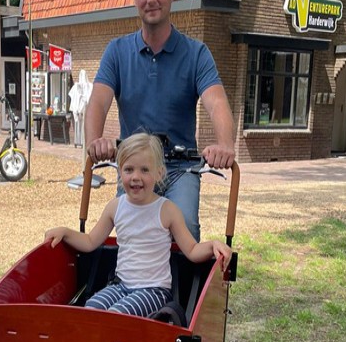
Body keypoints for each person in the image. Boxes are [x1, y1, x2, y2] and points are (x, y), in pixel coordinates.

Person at [86, 0, 235, 241]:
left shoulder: (196, 54)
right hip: (135, 165)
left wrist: (225, 145)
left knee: (185, 228)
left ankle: (177, 285)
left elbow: (216, 103)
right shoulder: (117, 52)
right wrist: (95, 141)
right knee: (130, 231)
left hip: (181, 167)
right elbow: (97, 102)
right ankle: (129, 283)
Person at [45, 133, 232, 318]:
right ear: (119, 172)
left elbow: (191, 250)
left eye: (144, 170)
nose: (135, 177)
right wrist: (65, 232)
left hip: (154, 291)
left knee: (116, 316)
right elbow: (90, 241)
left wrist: (212, 245)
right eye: (128, 170)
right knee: (91, 309)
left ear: (159, 173)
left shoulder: (167, 210)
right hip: (121, 286)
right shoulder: (116, 207)